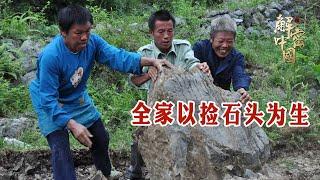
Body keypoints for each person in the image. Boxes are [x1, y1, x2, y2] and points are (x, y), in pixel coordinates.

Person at [29, 5, 170, 180]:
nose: (84, 37)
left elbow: (116, 56)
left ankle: (105, 173)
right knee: (60, 148)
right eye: (78, 33)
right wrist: (72, 125)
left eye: (88, 31)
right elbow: (48, 99)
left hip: (76, 96)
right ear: (63, 32)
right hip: (50, 101)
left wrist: (150, 61)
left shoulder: (92, 43)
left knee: (100, 137)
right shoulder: (51, 56)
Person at [126, 10, 210, 179]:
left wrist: (200, 68)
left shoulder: (183, 46)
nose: (166, 36)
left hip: (182, 106)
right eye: (161, 32)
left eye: (169, 31)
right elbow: (133, 80)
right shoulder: (144, 53)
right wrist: (147, 74)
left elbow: (192, 62)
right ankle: (135, 172)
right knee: (139, 134)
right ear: (151, 33)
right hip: (154, 109)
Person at [192, 14, 251, 104]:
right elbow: (189, 66)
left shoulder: (237, 57)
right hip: (197, 96)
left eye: (229, 42)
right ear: (211, 39)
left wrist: (241, 89)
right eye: (220, 41)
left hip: (221, 99)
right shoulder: (200, 48)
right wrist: (196, 66)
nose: (224, 45)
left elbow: (239, 75)